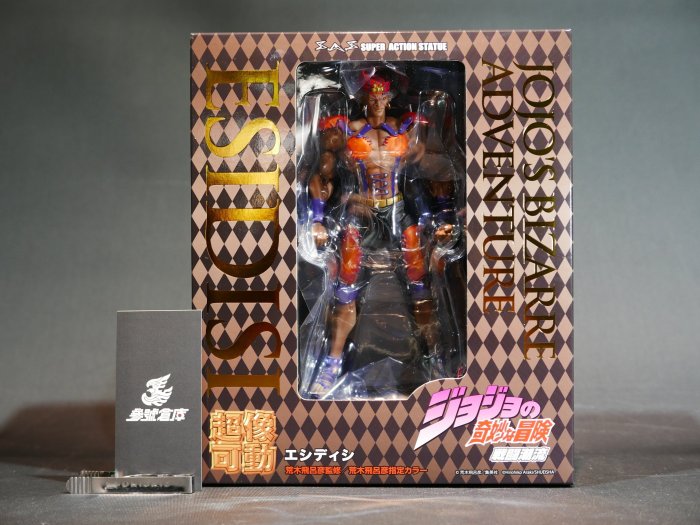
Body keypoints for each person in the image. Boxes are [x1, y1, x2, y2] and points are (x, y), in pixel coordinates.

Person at [306, 72, 455, 398]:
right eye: (371, 97)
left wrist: (444, 215)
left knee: (421, 288)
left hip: (399, 212)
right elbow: (321, 172)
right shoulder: (345, 130)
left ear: (389, 98)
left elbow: (439, 170)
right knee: (345, 289)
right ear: (363, 98)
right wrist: (317, 219)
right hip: (362, 215)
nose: (376, 102)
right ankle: (332, 363)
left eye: (381, 97)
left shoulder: (407, 128)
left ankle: (435, 361)